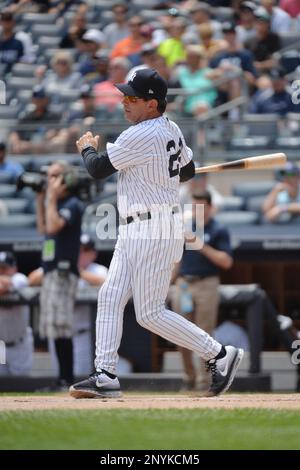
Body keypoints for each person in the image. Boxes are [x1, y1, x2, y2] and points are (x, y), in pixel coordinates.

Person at [70, 68, 244, 399]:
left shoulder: (138, 135)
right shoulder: (172, 128)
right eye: (125, 96)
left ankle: (219, 355)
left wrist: (87, 148)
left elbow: (96, 169)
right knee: (109, 296)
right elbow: (189, 171)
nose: (125, 102)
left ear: (152, 104)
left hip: (153, 226)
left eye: (133, 98)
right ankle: (105, 374)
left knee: (150, 313)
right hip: (136, 226)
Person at [171, 191, 233, 391]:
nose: (198, 210)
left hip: (207, 283)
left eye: (202, 206)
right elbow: (177, 261)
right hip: (183, 284)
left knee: (205, 334)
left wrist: (200, 244)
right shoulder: (187, 228)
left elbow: (226, 262)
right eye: (194, 205)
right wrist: (166, 284)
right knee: (180, 332)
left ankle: (204, 381)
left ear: (210, 207)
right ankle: (188, 377)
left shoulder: (219, 230)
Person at [29, 234, 108, 376]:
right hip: (60, 333)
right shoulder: (61, 266)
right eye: (78, 249)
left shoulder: (98, 270)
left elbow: (107, 283)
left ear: (93, 254)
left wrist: (78, 271)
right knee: (60, 375)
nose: (80, 254)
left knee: (80, 375)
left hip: (83, 335)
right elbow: (32, 280)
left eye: (85, 250)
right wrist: (54, 267)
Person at [36, 161, 83, 389]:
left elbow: (54, 227)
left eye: (55, 176)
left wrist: (51, 198)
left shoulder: (72, 203)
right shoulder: (55, 202)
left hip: (63, 272)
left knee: (62, 326)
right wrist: (40, 199)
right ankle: (61, 379)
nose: (50, 181)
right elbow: (43, 228)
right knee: (53, 327)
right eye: (49, 176)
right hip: (50, 271)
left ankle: (67, 379)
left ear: (67, 179)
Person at [0, 251, 33, 376]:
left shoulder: (20, 278)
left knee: (22, 386)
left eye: (4, 268)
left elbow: (5, 286)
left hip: (19, 345)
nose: (1, 271)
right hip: (0, 346)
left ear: (14, 268)